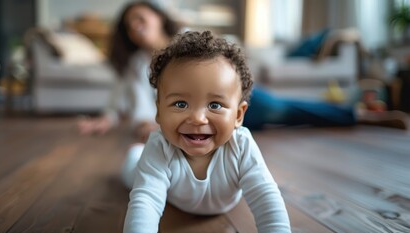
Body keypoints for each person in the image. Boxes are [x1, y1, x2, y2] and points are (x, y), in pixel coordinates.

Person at [77, 0, 407, 139]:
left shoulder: (186, 42)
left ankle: (362, 116)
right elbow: (120, 102)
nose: (135, 28)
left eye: (140, 19)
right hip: (187, 126)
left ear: (157, 16)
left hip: (226, 105)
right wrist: (103, 121)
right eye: (128, 26)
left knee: (285, 111)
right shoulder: (135, 66)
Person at [122, 30, 292, 233]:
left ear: (238, 115)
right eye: (180, 104)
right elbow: (145, 201)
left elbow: (266, 197)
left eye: (215, 105)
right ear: (159, 111)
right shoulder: (160, 146)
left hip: (220, 203)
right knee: (132, 172)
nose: (198, 119)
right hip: (163, 188)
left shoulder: (241, 145)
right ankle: (135, 155)